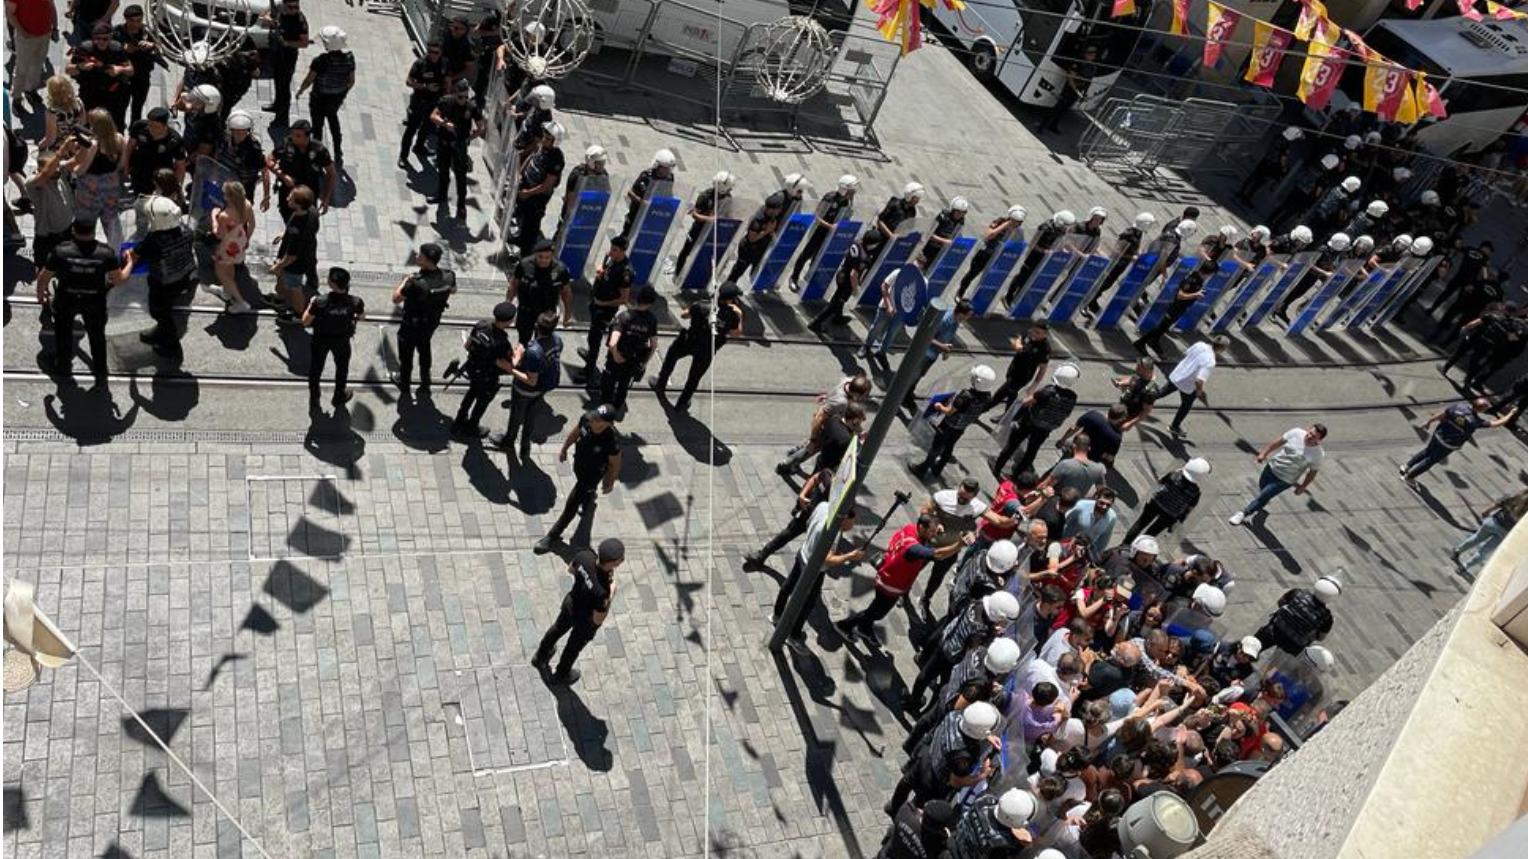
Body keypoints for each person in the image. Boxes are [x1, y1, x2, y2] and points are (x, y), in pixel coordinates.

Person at [836, 513, 960, 647]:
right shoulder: (914, 549)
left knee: (875, 608)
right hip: (890, 586)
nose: (933, 535)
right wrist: (959, 544)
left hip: (887, 576)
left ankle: (864, 629)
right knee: (875, 613)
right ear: (922, 527)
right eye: (931, 531)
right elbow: (937, 554)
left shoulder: (910, 529)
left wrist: (936, 529)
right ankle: (844, 625)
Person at [35, 217, 130, 381]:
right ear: (94, 231)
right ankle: (100, 370)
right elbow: (119, 280)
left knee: (63, 332)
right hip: (94, 301)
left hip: (66, 299)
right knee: (97, 336)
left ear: (73, 231)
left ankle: (63, 365)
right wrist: (130, 262)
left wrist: (41, 294)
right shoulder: (106, 253)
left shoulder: (61, 251)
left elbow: (44, 277)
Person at [532, 537, 625, 686]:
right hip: (584, 621)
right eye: (622, 559)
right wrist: (612, 591)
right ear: (613, 562)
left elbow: (570, 569)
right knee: (573, 647)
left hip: (571, 604)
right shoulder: (602, 591)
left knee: (557, 629)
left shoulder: (585, 556)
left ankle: (540, 656)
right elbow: (597, 620)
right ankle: (562, 674)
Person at [773, 503, 863, 653]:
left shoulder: (824, 506)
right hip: (814, 569)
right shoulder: (832, 533)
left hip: (803, 553)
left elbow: (809, 522)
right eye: (849, 525)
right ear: (842, 519)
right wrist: (850, 556)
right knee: (808, 603)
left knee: (789, 585)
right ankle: (794, 636)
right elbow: (827, 559)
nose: (850, 529)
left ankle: (777, 614)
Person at [884, 701, 1002, 814]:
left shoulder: (954, 716)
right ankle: (906, 817)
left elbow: (968, 727)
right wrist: (982, 775)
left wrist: (986, 735)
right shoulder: (963, 755)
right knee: (920, 804)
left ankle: (894, 806)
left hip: (926, 755)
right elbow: (956, 782)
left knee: (907, 782)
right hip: (934, 779)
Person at [536, 404, 623, 553]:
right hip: (579, 464)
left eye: (597, 419)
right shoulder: (586, 419)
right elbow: (575, 433)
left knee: (572, 503)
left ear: (607, 424)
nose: (593, 420)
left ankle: (552, 536)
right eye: (594, 416)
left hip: (593, 473)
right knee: (586, 492)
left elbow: (615, 462)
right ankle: (589, 498)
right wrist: (564, 449)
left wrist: (610, 481)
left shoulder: (610, 439)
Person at [119, 195, 195, 361]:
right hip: (183, 277)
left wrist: (128, 255)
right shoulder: (186, 230)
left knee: (159, 311)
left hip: (163, 283)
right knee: (166, 309)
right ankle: (160, 330)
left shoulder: (154, 240)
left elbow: (135, 255)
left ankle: (170, 345)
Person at [650, 283, 744, 412]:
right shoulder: (732, 315)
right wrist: (739, 315)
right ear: (731, 299)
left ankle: (661, 384)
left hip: (689, 341)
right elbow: (736, 334)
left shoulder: (702, 305)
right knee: (694, 377)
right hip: (707, 349)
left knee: (671, 357)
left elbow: (684, 315)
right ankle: (682, 402)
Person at [489, 311, 563, 459]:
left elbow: (530, 380)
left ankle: (508, 442)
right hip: (541, 389)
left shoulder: (534, 352)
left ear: (536, 326)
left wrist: (509, 368)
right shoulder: (557, 340)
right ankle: (525, 446)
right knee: (530, 417)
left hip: (525, 391)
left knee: (516, 416)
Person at [1400, 398, 1518, 486]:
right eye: (1486, 408)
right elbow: (1497, 424)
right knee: (1431, 460)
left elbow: (1443, 414)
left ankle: (1406, 466)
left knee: (1427, 451)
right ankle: (1409, 477)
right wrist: (1511, 413)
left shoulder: (1458, 406)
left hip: (1438, 435)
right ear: (1481, 409)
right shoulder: (1475, 421)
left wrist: (1429, 421)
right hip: (1448, 444)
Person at [992, 363, 1080, 479]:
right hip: (1046, 428)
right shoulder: (1072, 396)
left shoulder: (1047, 391)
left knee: (1012, 445)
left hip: (1029, 422)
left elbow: (1026, 402)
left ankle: (997, 468)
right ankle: (1017, 474)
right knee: (1032, 451)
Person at [390, 243, 457, 394]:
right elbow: (453, 290)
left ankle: (404, 383)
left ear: (427, 260)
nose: (416, 256)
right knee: (424, 348)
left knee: (406, 357)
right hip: (431, 323)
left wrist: (404, 281)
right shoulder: (449, 276)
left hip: (411, 326)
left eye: (420, 255)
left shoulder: (416, 283)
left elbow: (395, 299)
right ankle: (425, 382)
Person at [1229, 424, 1327, 526]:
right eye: (1310, 433)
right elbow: (1277, 442)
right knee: (1263, 491)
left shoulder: (1318, 454)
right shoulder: (1296, 433)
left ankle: (1243, 513)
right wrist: (1264, 453)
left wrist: (1303, 487)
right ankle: (1260, 503)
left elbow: (1312, 472)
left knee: (1264, 495)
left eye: (1314, 436)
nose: (1310, 436)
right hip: (1272, 467)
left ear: (1320, 439)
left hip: (1285, 480)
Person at [777, 374, 873, 476]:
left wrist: (828, 397)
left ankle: (794, 451)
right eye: (863, 395)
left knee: (808, 445)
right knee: (810, 449)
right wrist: (813, 439)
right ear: (856, 394)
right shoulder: (841, 402)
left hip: (829, 421)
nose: (864, 398)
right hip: (826, 428)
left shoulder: (847, 381)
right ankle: (785, 466)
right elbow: (819, 418)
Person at [911, 366, 996, 479]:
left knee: (936, 447)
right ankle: (938, 468)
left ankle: (922, 469)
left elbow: (949, 412)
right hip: (961, 428)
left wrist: (940, 406)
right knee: (949, 447)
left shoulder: (966, 396)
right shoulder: (987, 397)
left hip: (948, 425)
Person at [301, 267, 364, 413]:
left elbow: (305, 322)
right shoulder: (355, 302)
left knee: (316, 369)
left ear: (331, 284)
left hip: (321, 339)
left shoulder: (320, 302)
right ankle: (338, 396)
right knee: (342, 369)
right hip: (342, 341)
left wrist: (311, 303)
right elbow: (361, 317)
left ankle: (314, 398)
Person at [452, 303, 517, 439]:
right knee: (482, 402)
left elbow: (468, 346)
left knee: (471, 393)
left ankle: (459, 419)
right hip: (488, 377)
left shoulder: (482, 324)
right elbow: (509, 363)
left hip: (473, 367)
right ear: (509, 321)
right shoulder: (502, 342)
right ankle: (472, 426)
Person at [746, 467, 833, 569]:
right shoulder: (827, 475)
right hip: (807, 514)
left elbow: (847, 523)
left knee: (812, 554)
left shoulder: (843, 497)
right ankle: (761, 557)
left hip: (820, 525)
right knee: (786, 534)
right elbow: (815, 478)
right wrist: (802, 494)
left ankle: (806, 578)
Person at [902, 299, 975, 414]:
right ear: (961, 313)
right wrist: (942, 346)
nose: (970, 317)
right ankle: (904, 397)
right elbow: (927, 335)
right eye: (969, 315)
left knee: (920, 374)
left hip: (933, 354)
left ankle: (909, 391)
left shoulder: (956, 319)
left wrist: (946, 350)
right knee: (915, 374)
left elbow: (949, 336)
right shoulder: (945, 319)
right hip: (925, 353)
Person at [1150, 335, 1228, 441]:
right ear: (1221, 349)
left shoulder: (1200, 344)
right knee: (1186, 406)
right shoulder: (1210, 361)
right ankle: (1174, 426)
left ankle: (1139, 399)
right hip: (1188, 385)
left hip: (1178, 375)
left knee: (1161, 393)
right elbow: (1199, 380)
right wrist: (1199, 391)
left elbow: (1186, 353)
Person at [294, 26, 355, 161]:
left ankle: (317, 153)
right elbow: (351, 82)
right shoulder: (349, 58)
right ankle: (338, 150)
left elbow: (309, 79)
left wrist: (300, 90)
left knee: (317, 126)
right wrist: (341, 93)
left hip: (319, 98)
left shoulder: (320, 60)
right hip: (335, 99)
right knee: (333, 121)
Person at [67, 109, 126, 250]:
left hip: (90, 188)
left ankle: (84, 250)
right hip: (111, 186)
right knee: (111, 222)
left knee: (85, 222)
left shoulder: (93, 144)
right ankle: (116, 253)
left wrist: (71, 167)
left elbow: (80, 170)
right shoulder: (119, 138)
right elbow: (121, 164)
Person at [428, 79, 485, 220]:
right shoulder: (446, 101)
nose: (463, 100)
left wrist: (468, 139)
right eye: (460, 96)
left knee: (461, 177)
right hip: (444, 142)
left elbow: (481, 127)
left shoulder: (471, 107)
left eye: (466, 96)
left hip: (459, 145)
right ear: (454, 93)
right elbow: (433, 116)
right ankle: (441, 196)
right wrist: (444, 124)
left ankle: (461, 205)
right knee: (443, 171)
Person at [790, 174, 858, 292]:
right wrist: (830, 226)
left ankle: (809, 278)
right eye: (850, 192)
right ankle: (794, 277)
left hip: (831, 234)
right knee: (806, 255)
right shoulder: (830, 198)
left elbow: (845, 218)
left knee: (818, 257)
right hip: (819, 231)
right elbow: (817, 215)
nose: (852, 194)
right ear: (844, 190)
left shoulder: (847, 203)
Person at [579, 236, 632, 385]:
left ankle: (589, 371)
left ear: (623, 251)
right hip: (597, 303)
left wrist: (604, 302)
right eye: (611, 248)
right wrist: (602, 274)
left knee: (595, 339)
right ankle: (590, 355)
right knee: (591, 335)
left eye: (615, 250)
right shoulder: (613, 260)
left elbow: (624, 299)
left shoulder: (625, 272)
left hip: (605, 310)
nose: (610, 252)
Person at [1133, 260, 1212, 357]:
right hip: (1175, 306)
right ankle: (1140, 343)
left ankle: (1154, 341)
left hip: (1182, 308)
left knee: (1165, 327)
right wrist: (1196, 294)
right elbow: (1180, 295)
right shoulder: (1192, 278)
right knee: (1161, 326)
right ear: (1207, 272)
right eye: (1210, 274)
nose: (1210, 277)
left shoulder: (1200, 280)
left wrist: (1196, 295)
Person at [600, 284, 658, 412]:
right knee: (623, 385)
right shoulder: (652, 320)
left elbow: (613, 343)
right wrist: (644, 363)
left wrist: (616, 356)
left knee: (608, 384)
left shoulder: (624, 317)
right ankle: (617, 406)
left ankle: (605, 408)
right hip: (634, 360)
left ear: (637, 298)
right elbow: (654, 345)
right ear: (651, 302)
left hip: (617, 359)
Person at [1123, 457, 1210, 543]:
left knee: (1140, 524)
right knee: (1151, 534)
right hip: (1169, 515)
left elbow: (1160, 481)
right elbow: (1189, 509)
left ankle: (1125, 544)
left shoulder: (1174, 475)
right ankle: (1140, 548)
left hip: (1156, 503)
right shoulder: (1196, 493)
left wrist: (1177, 470)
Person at [512, 121, 566, 257]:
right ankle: (520, 237)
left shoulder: (556, 159)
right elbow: (531, 158)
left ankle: (525, 254)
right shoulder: (541, 146)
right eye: (544, 136)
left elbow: (546, 185)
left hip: (537, 197)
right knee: (522, 217)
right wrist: (520, 174)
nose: (544, 140)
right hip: (526, 187)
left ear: (555, 142)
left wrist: (528, 194)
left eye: (548, 139)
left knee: (532, 226)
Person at [506, 238, 573, 344]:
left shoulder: (560, 269)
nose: (543, 260)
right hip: (526, 310)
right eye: (540, 257)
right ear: (535, 254)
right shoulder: (525, 265)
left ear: (552, 256)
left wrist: (568, 314)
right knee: (523, 340)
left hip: (547, 314)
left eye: (547, 257)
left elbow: (566, 292)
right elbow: (514, 284)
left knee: (543, 342)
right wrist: (508, 304)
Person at [1087, 211, 1156, 315]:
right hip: (1116, 263)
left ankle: (1093, 300)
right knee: (1105, 283)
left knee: (1109, 284)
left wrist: (1139, 253)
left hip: (1124, 264)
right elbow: (1116, 251)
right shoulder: (1128, 234)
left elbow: (1136, 247)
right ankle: (1090, 301)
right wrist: (1131, 257)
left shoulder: (1139, 232)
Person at [203, 180, 256, 314]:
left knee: (220, 272)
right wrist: (246, 240)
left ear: (229, 197)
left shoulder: (224, 215)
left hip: (227, 245)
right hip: (239, 240)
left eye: (224, 194)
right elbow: (252, 225)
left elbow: (219, 235)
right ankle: (226, 291)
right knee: (230, 266)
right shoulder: (247, 204)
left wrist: (214, 217)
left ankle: (241, 302)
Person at [265, 120, 335, 221]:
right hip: (288, 191)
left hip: (308, 194)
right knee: (287, 219)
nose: (293, 137)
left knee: (307, 223)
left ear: (307, 136)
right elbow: (269, 160)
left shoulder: (319, 150)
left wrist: (326, 198)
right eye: (292, 134)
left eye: (298, 135)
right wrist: (282, 176)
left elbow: (331, 173)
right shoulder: (286, 144)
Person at [269, 184, 320, 319]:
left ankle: (298, 314)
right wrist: (284, 234)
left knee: (295, 287)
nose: (286, 199)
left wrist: (277, 266)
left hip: (295, 265)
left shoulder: (297, 228)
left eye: (290, 198)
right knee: (284, 281)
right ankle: (280, 298)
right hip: (305, 254)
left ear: (298, 205)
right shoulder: (311, 210)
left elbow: (291, 256)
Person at [1252, 575, 1339, 655]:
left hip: (1274, 630)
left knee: (1252, 647)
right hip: (1293, 646)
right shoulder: (1327, 618)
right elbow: (1320, 637)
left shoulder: (1297, 593)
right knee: (1274, 667)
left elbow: (1280, 602)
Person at [67, 23, 132, 127]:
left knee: (114, 124)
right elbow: (69, 69)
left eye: (105, 39)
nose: (101, 42)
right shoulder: (85, 48)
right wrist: (80, 67)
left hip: (112, 93)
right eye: (97, 38)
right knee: (85, 124)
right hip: (89, 92)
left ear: (110, 37)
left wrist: (119, 69)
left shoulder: (117, 48)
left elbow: (130, 70)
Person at [957, 206, 1026, 299]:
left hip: (999, 258)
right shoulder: (1000, 221)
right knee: (972, 274)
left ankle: (977, 297)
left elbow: (1018, 246)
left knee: (988, 280)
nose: (1015, 224)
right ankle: (960, 292)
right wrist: (1004, 226)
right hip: (985, 253)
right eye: (1014, 221)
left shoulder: (1019, 231)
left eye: (1019, 222)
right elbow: (989, 235)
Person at [1006, 210, 1074, 305]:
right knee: (1022, 278)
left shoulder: (1061, 230)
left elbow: (1061, 241)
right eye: (1066, 225)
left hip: (1046, 258)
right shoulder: (1045, 227)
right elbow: (1032, 244)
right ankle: (1008, 297)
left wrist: (1063, 250)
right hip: (1034, 256)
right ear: (1060, 222)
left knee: (1032, 280)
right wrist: (1045, 251)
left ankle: (1018, 298)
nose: (1066, 228)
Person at [259, 0, 310, 124]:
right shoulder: (279, 9)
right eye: (290, 7)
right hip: (276, 53)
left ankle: (282, 118)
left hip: (288, 56)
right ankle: (277, 105)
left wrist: (287, 43)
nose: (294, 10)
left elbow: (304, 43)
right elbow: (262, 18)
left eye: (296, 7)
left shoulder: (300, 21)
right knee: (277, 82)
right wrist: (270, 20)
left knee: (284, 88)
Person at [806, 235, 871, 332]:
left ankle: (838, 317)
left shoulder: (857, 243)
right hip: (847, 282)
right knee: (835, 303)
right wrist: (855, 289)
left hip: (841, 274)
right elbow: (854, 274)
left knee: (838, 299)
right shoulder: (863, 257)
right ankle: (816, 323)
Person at [399, 41, 448, 167]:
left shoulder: (444, 63)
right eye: (430, 52)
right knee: (411, 130)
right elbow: (409, 81)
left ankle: (419, 147)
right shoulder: (420, 64)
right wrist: (425, 87)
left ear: (441, 52)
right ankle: (403, 157)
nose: (433, 55)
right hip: (419, 101)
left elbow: (447, 80)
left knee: (427, 127)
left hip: (434, 102)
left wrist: (446, 97)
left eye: (436, 52)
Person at [1453, 491, 1527, 572]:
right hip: (1506, 533)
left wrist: (1486, 511)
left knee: (1476, 538)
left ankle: (1457, 551)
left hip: (1493, 522)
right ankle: (1464, 566)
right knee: (1485, 552)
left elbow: (1497, 504)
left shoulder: (1514, 496)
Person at [987, 322, 1052, 415]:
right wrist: (1018, 345)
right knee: (1011, 394)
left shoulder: (1045, 348)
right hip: (1012, 370)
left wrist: (1034, 385)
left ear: (1045, 334)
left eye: (1038, 332)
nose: (1034, 333)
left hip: (1022, 377)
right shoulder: (1029, 336)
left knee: (998, 396)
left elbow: (1042, 369)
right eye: (1034, 330)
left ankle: (981, 410)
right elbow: (1019, 339)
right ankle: (1008, 416)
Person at [5, 0, 56, 110]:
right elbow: (9, 13)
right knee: (22, 68)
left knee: (38, 64)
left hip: (45, 32)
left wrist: (54, 27)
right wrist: (23, 32)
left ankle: (30, 90)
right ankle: (17, 98)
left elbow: (51, 5)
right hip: (26, 36)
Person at [111, 5, 157, 124]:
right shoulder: (117, 32)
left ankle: (134, 131)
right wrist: (122, 47)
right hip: (123, 77)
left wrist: (151, 45)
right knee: (120, 107)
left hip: (142, 76)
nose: (135, 24)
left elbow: (160, 47)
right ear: (126, 19)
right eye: (132, 21)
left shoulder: (147, 32)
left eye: (139, 20)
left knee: (137, 108)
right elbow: (108, 49)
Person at [725, 193, 784, 284]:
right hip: (748, 250)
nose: (780, 211)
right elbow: (751, 239)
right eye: (778, 209)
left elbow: (771, 229)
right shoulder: (758, 219)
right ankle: (729, 288)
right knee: (738, 272)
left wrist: (773, 235)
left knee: (757, 271)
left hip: (760, 250)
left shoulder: (772, 216)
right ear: (771, 209)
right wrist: (766, 231)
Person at [1038, 43, 1097, 133]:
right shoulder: (1077, 63)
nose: (1091, 56)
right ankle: (1042, 126)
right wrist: (1076, 91)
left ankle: (1053, 125)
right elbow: (1070, 78)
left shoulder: (1092, 67)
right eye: (1089, 54)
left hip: (1078, 91)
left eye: (1093, 55)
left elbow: (1088, 81)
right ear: (1085, 54)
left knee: (1064, 110)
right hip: (1069, 90)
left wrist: (1084, 93)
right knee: (1057, 108)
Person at [620, 148, 677, 240]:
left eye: (670, 168)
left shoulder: (669, 178)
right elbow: (630, 193)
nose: (668, 171)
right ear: (657, 165)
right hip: (637, 214)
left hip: (654, 216)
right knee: (626, 238)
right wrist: (644, 203)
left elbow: (668, 194)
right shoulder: (646, 176)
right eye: (665, 168)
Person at [877, 799, 958, 859]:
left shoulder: (905, 812)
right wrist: (946, 837)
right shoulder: (936, 847)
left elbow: (890, 807)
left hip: (885, 855)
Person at [215, 110, 266, 202]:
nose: (240, 136)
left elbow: (264, 171)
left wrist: (266, 196)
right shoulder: (223, 139)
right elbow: (217, 156)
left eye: (243, 132)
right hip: (223, 181)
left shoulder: (253, 149)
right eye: (237, 132)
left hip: (242, 188)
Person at [1041, 434, 1107, 498]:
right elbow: (1102, 492)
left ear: (1073, 446)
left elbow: (1045, 485)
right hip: (1076, 505)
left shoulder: (1065, 464)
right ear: (1089, 448)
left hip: (1057, 502)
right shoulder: (1098, 469)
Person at [1064, 488, 1117, 559]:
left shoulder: (1112, 517)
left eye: (1108, 505)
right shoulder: (1081, 506)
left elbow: (1103, 540)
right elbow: (1065, 521)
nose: (1104, 507)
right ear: (1096, 498)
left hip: (1083, 554)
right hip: (1066, 545)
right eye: (1102, 503)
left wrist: (1095, 558)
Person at [917, 196, 968, 269]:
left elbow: (957, 235)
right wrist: (945, 241)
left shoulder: (961, 221)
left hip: (943, 251)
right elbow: (929, 234)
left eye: (964, 212)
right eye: (958, 211)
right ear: (952, 210)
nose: (960, 214)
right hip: (930, 248)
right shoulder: (943, 217)